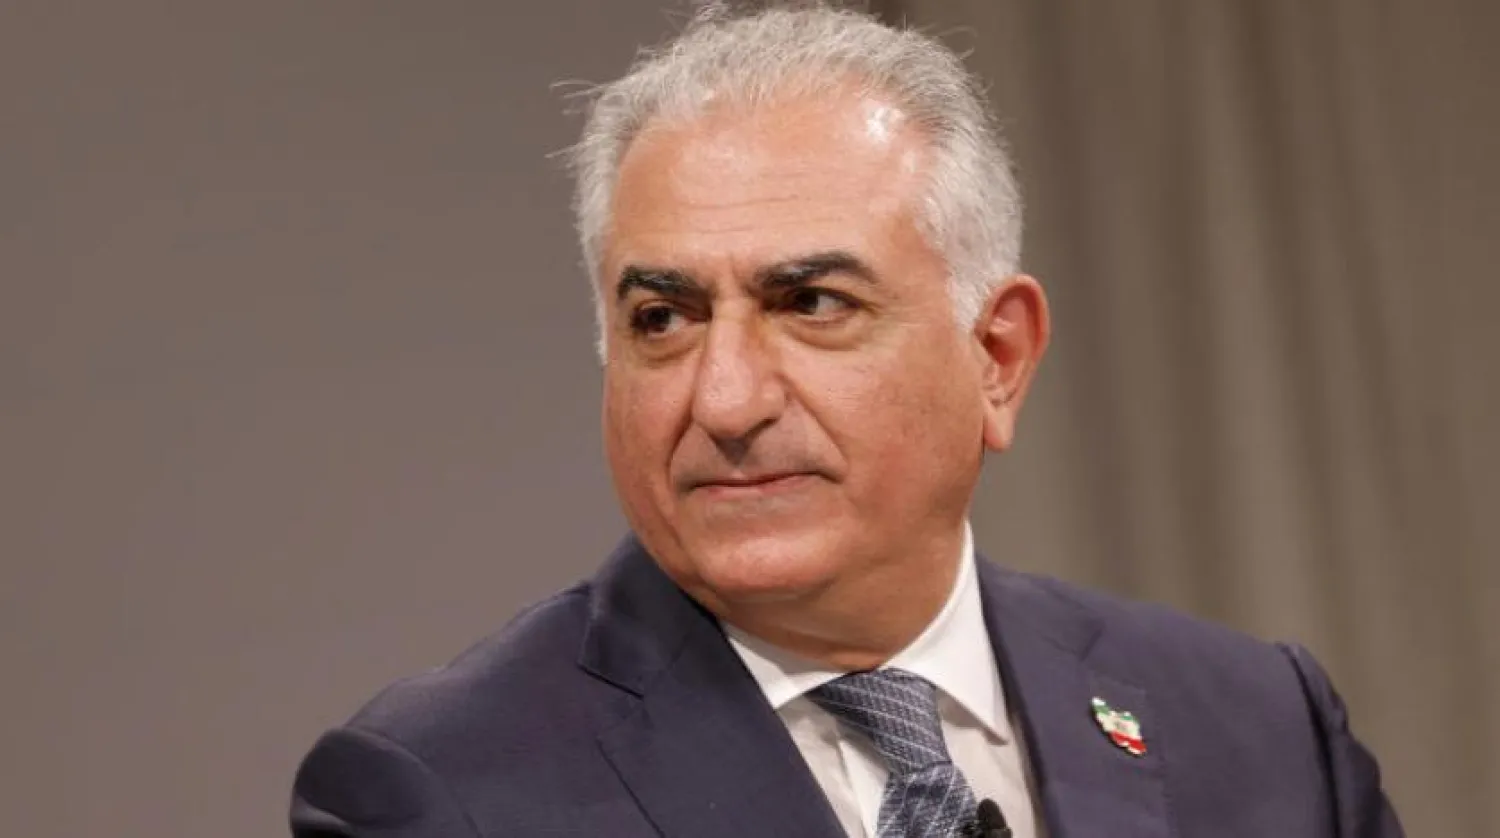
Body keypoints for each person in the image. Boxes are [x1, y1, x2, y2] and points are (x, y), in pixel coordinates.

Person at [289, 4, 1403, 837]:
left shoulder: (1258, 728)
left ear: (997, 358)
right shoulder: (445, 794)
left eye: (812, 304)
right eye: (664, 319)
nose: (727, 400)